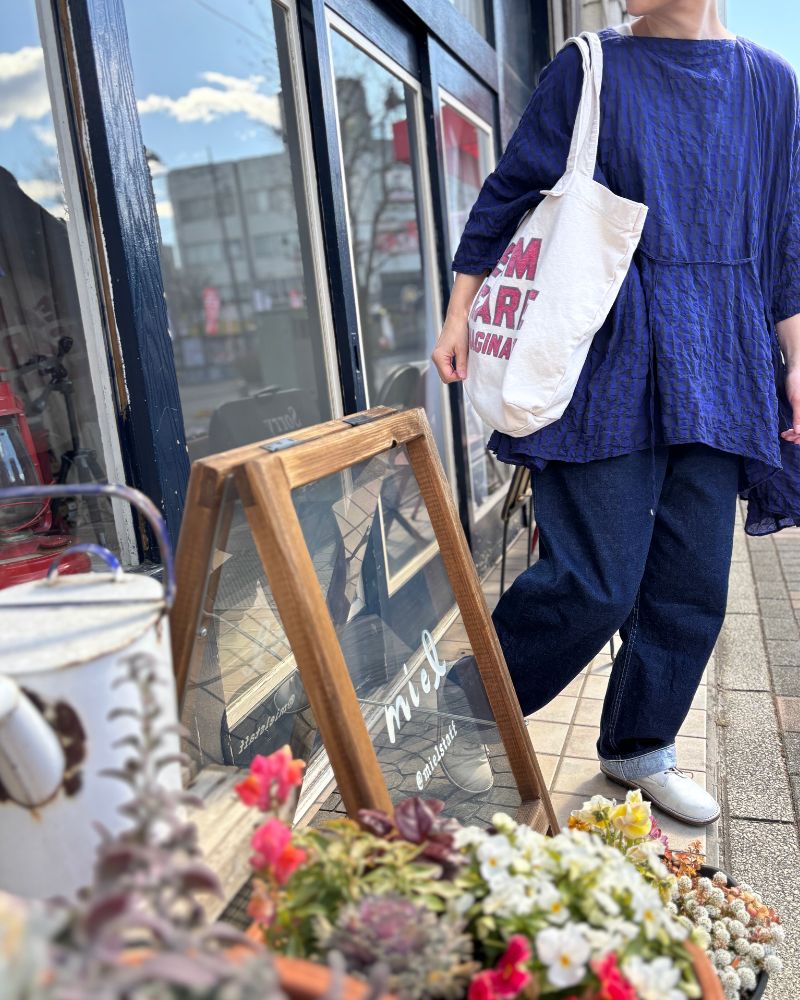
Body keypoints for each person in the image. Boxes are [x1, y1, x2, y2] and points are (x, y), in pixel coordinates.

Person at [431, 0, 800, 825]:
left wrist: (798, 357)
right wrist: (458, 310)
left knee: (691, 581)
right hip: (607, 352)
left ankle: (640, 747)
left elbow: (786, 234)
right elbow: (511, 188)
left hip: (722, 355)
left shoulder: (773, 85)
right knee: (594, 580)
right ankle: (466, 707)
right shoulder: (591, 65)